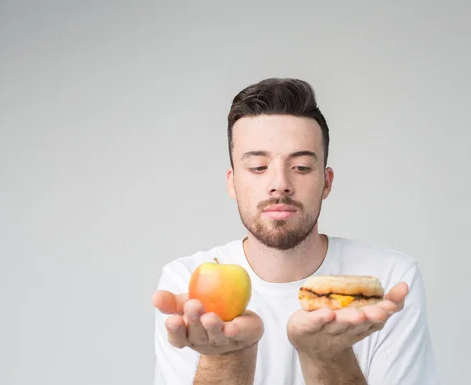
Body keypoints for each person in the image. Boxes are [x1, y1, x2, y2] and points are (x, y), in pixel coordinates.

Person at [152, 78, 440, 384]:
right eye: (258, 167)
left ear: (326, 182)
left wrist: (327, 358)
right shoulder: (187, 285)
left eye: (301, 167)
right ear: (232, 182)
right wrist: (226, 358)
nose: (280, 184)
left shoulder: (391, 279)